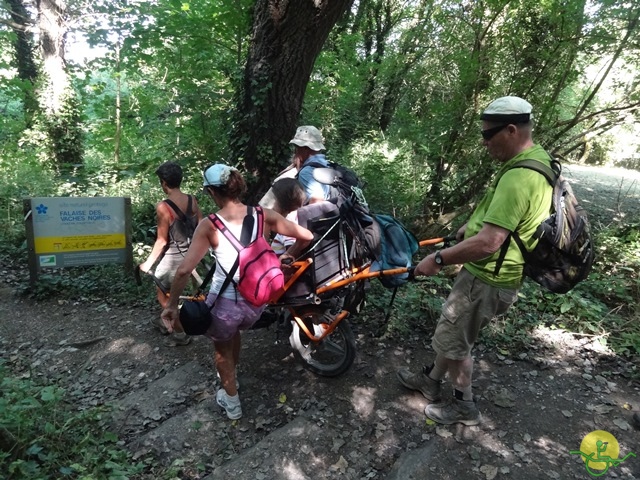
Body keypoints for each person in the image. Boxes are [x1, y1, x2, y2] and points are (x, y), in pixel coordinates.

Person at [396, 96, 554, 425]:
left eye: (488, 134)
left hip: (486, 279)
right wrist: (474, 224)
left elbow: (489, 243)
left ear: (511, 130)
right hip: (499, 276)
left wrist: (438, 259)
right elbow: (509, 221)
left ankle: (463, 405)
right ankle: (430, 381)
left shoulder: (518, 177)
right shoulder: (538, 161)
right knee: (455, 334)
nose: (483, 142)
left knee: (456, 342)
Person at [160, 164, 313, 420]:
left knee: (222, 351)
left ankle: (232, 404)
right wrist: (288, 254)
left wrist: (172, 305)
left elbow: (185, 270)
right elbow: (306, 235)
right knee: (234, 334)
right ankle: (234, 377)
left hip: (225, 307)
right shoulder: (263, 214)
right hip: (256, 303)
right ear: (238, 185)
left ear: (211, 192)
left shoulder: (210, 225)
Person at [139, 161, 203, 346]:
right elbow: (200, 227)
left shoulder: (163, 207)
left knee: (163, 293)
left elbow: (162, 241)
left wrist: (148, 263)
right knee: (195, 293)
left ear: (164, 183)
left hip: (173, 258)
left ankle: (180, 332)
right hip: (193, 255)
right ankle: (169, 321)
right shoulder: (192, 200)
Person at [289, 125, 332, 204]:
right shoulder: (328, 166)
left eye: (297, 146)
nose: (296, 150)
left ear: (305, 148)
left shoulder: (306, 172)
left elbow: (317, 203)